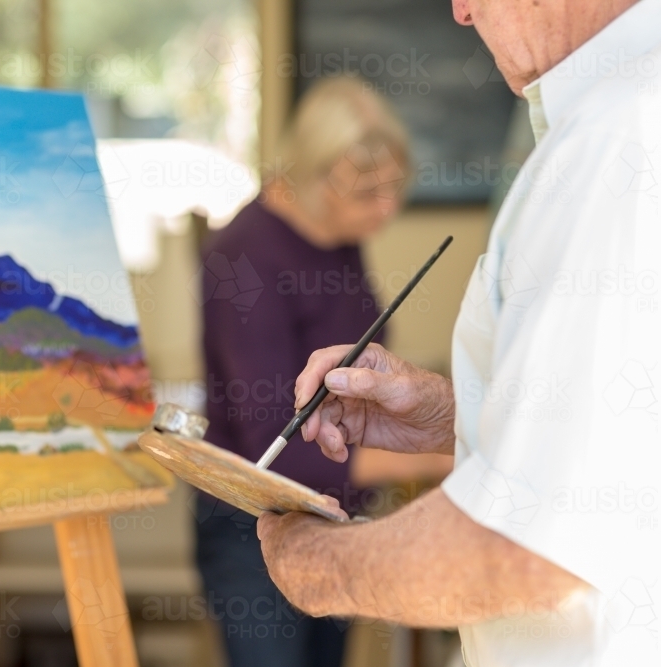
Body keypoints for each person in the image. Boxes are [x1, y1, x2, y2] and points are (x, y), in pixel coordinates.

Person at [257, 1, 660, 666]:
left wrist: (324, 567)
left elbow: (530, 549)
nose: (461, 12)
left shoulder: (615, 138)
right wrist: (455, 414)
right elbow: (620, 433)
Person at [196, 77, 409, 667]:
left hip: (331, 511)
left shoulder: (338, 234)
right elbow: (278, 445)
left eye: (393, 187)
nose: (386, 208)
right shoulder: (241, 255)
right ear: (315, 178)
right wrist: (447, 449)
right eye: (368, 193)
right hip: (254, 523)